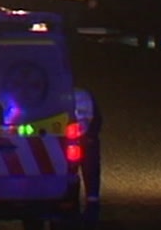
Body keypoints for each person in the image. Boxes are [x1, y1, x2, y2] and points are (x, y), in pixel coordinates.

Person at [75, 87, 102, 226]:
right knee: (90, 171)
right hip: (86, 139)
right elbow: (97, 119)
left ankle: (90, 207)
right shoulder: (85, 95)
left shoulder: (57, 95)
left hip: (82, 139)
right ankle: (91, 207)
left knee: (88, 171)